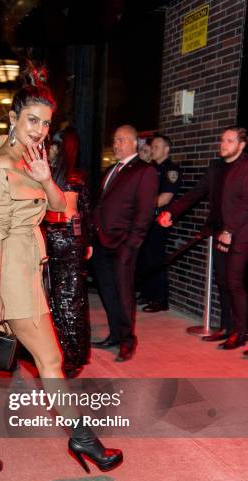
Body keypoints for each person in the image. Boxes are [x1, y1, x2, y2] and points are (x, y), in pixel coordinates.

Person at [0, 63, 123, 475]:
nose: (39, 130)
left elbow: (60, 208)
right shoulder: (0, 164)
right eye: (31, 120)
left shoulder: (23, 155)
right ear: (12, 119)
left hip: (24, 267)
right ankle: (83, 441)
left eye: (46, 124)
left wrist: (47, 179)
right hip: (8, 271)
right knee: (50, 360)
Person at [158, 126, 248, 353]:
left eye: (229, 141)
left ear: (241, 144)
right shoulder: (216, 167)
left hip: (240, 233)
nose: (223, 144)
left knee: (235, 283)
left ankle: (241, 332)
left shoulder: (246, 168)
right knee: (223, 283)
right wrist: (171, 211)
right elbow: (196, 192)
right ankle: (227, 327)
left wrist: (230, 230)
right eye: (222, 140)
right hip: (217, 231)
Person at [91, 124, 159, 361]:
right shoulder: (111, 170)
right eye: (115, 140)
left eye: (120, 140)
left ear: (133, 143)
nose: (116, 144)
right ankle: (115, 335)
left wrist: (132, 244)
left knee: (124, 293)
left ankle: (128, 341)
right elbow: (100, 206)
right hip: (101, 242)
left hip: (123, 245)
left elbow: (145, 212)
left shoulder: (144, 171)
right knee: (107, 292)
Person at [42, 127, 92, 377]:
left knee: (66, 298)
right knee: (71, 297)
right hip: (69, 240)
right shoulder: (72, 174)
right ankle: (74, 353)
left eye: (51, 145)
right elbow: (84, 213)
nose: (47, 149)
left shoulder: (65, 176)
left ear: (60, 148)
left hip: (61, 240)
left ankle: (71, 357)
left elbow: (70, 211)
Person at [137, 133, 183, 312]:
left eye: (156, 147)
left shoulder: (171, 170)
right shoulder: (150, 168)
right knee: (145, 257)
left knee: (156, 258)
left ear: (166, 149)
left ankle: (160, 299)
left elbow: (165, 198)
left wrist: (143, 204)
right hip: (147, 218)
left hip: (159, 220)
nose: (152, 150)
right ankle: (148, 293)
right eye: (152, 146)